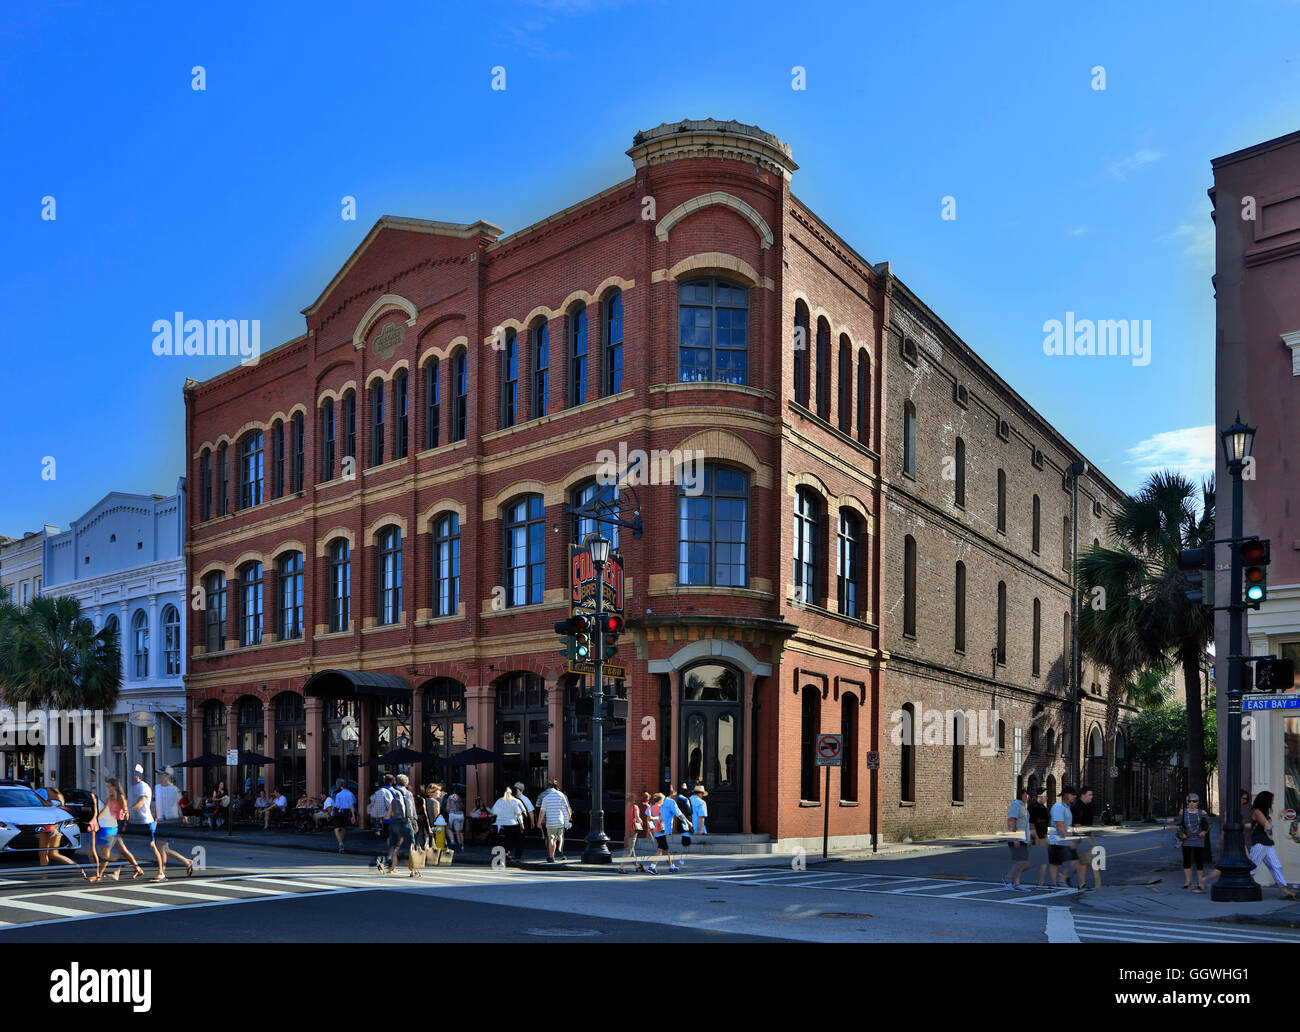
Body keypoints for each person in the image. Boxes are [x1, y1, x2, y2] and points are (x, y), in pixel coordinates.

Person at [1249, 791, 1297, 899]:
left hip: (1268, 844)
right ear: (1266, 800)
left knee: (1276, 866)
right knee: (1252, 869)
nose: (1273, 802)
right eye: (1272, 800)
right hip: (1260, 844)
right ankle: (1242, 888)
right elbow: (1268, 826)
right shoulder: (1257, 811)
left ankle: (1284, 889)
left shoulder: (1263, 812)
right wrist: (1279, 817)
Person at [94, 778, 145, 882]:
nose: (107, 788)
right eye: (107, 786)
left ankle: (99, 874)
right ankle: (137, 869)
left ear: (114, 786)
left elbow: (126, 812)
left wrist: (124, 823)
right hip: (110, 824)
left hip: (117, 825)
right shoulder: (110, 798)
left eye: (109, 786)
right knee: (123, 850)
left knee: (106, 851)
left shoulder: (120, 797)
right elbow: (104, 811)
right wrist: (96, 821)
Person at [150, 769, 195, 879]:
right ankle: (186, 862)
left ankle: (162, 872)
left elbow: (178, 806)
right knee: (163, 848)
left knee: (160, 847)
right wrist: (154, 820)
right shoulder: (158, 788)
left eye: (161, 774)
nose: (159, 776)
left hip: (169, 822)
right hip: (161, 822)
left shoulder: (173, 790)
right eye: (158, 774)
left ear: (167, 776)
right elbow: (158, 806)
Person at [382, 774, 420, 877]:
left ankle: (391, 867)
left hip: (394, 822)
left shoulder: (391, 792)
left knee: (396, 845)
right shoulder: (408, 793)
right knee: (410, 847)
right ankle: (413, 870)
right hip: (405, 822)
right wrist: (414, 823)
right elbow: (411, 810)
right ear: (406, 783)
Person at [36, 784, 80, 872]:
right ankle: (43, 875)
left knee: (53, 853)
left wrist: (57, 827)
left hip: (55, 826)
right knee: (42, 852)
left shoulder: (54, 795)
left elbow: (61, 813)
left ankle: (77, 867)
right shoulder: (44, 792)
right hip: (45, 825)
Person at [1173, 792, 1210, 892]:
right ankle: (1188, 881)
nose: (1192, 803)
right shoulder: (1183, 812)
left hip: (1198, 839)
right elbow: (1178, 825)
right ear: (1187, 802)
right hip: (1187, 839)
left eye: (1194, 801)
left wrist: (1204, 831)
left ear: (1198, 802)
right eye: (1189, 801)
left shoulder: (1202, 813)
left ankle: (1200, 882)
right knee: (1187, 860)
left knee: (1199, 860)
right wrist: (1181, 834)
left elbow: (1208, 824)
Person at [1004, 787, 1037, 890]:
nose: (1028, 797)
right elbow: (1012, 821)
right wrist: (1015, 838)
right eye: (1027, 794)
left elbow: (1025, 824)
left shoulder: (1023, 806)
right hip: (1016, 838)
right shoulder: (1015, 805)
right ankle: (1008, 878)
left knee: (1024, 862)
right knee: (1021, 861)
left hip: (1023, 838)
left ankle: (1016, 883)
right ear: (1022, 795)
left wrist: (1029, 838)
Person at [1047, 786, 1079, 890]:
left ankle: (1062, 879)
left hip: (1064, 840)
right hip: (1056, 841)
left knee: (1074, 862)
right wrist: (1069, 841)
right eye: (1073, 794)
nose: (1075, 796)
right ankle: (1056, 884)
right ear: (1067, 795)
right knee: (1055, 863)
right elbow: (1060, 825)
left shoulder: (1067, 807)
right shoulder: (1058, 807)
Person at [647, 791, 682, 874]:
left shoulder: (650, 808)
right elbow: (663, 818)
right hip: (661, 830)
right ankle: (652, 866)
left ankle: (671, 866)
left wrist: (649, 830)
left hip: (655, 830)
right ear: (660, 800)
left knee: (665, 849)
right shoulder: (661, 808)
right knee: (660, 849)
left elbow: (648, 819)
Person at [538, 779, 572, 863]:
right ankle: (561, 854)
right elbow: (568, 809)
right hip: (560, 821)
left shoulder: (545, 797)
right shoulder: (562, 795)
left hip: (550, 822)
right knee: (560, 837)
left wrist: (539, 822)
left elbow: (541, 812)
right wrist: (567, 820)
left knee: (551, 839)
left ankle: (551, 857)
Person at [1070, 785, 1098, 890]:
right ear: (1083, 795)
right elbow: (1076, 825)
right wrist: (1080, 839)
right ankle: (1082, 884)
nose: (1092, 797)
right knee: (1083, 862)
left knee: (1084, 862)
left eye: (1092, 795)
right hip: (1080, 838)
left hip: (1086, 837)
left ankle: (1066, 877)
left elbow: (1089, 825)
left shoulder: (1088, 807)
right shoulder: (1078, 806)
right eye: (1089, 795)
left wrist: (1093, 840)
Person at [492, 786, 527, 863]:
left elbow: (494, 811)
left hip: (503, 823)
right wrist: (522, 824)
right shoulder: (516, 801)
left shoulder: (499, 801)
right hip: (514, 823)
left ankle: (506, 854)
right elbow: (520, 813)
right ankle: (517, 856)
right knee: (518, 840)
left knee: (507, 839)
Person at [621, 790, 649, 873]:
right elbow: (637, 818)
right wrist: (641, 821)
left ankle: (637, 866)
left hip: (627, 830)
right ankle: (621, 867)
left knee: (631, 849)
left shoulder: (626, 806)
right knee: (629, 850)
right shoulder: (635, 807)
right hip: (633, 830)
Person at [668, 785, 695, 867]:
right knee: (685, 840)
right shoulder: (685, 799)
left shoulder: (673, 799)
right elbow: (689, 811)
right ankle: (682, 858)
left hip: (676, 822)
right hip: (684, 822)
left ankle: (681, 858)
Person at [332, 779, 357, 853]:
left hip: (339, 811)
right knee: (343, 827)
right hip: (346, 812)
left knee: (336, 828)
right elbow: (352, 805)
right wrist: (353, 816)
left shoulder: (338, 795)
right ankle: (341, 844)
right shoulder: (350, 794)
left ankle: (340, 843)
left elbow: (337, 806)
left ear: (339, 786)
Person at [513, 781, 536, 861]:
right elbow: (530, 812)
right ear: (522, 790)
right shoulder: (525, 799)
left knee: (510, 838)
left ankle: (507, 854)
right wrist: (532, 822)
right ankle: (517, 856)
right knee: (520, 839)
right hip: (521, 822)